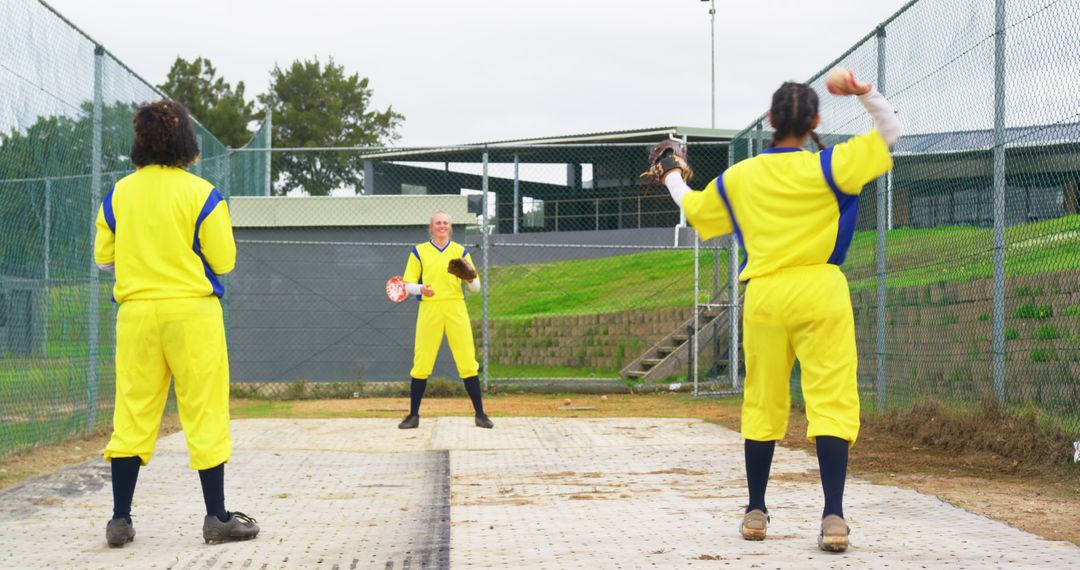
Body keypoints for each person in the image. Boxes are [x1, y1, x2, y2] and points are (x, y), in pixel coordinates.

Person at [655, 71, 899, 552]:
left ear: (770, 120)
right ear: (814, 122)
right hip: (821, 288)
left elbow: (693, 206)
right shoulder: (829, 166)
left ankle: (756, 511)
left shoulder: (743, 176)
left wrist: (669, 170)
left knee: (763, 398)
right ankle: (833, 516)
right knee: (830, 398)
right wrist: (865, 92)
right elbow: (890, 135)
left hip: (765, 294)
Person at [93, 100, 259, 547]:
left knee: (132, 410)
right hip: (192, 312)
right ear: (186, 140)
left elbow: (103, 259)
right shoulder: (201, 193)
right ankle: (217, 518)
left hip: (137, 314)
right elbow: (223, 259)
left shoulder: (118, 194)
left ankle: (119, 520)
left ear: (139, 142)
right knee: (203, 408)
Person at [398, 211, 493, 430]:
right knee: (422, 362)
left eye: (445, 223)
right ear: (431, 227)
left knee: (467, 361)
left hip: (455, 307)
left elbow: (476, 288)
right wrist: (422, 288)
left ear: (450, 227)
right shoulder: (419, 251)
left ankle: (480, 414)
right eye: (438, 223)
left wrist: (469, 278)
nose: (442, 226)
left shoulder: (460, 251)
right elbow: (406, 285)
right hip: (430, 308)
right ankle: (413, 416)